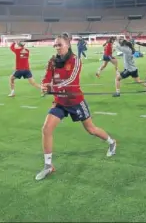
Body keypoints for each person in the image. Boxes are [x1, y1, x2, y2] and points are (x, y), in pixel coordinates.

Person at [36, 33, 117, 181]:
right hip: (60, 102)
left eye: (59, 44)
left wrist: (53, 86)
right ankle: (48, 166)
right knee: (46, 129)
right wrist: (44, 84)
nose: (57, 47)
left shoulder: (76, 60)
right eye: (55, 45)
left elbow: (71, 79)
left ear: (67, 44)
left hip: (75, 101)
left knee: (91, 130)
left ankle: (111, 142)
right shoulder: (52, 61)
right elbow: (47, 76)